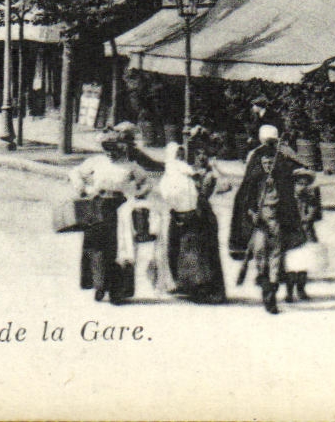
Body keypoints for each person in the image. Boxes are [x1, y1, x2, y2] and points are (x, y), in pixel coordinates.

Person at [68, 123, 151, 304]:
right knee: (98, 248)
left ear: (122, 149)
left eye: (114, 149)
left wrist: (139, 193)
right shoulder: (96, 162)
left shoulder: (129, 166)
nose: (110, 153)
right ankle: (99, 286)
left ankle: (118, 291)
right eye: (107, 149)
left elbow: (146, 182)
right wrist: (83, 189)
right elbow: (75, 173)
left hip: (120, 210)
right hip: (98, 207)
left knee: (120, 249)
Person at [228, 123, 306, 315]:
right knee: (265, 254)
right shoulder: (273, 157)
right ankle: (268, 284)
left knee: (272, 255)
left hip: (276, 220)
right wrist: (252, 212)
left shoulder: (267, 157)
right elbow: (248, 191)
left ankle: (270, 292)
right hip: (262, 221)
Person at [153, 141, 228, 303]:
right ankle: (188, 285)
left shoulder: (205, 174)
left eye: (205, 156)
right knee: (182, 251)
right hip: (182, 215)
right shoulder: (184, 172)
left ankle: (208, 288)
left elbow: (224, 186)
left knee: (201, 253)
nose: (201, 158)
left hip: (202, 217)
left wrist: (216, 170)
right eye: (198, 155)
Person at [284, 167, 323, 302]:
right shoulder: (288, 199)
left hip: (305, 233)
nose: (302, 186)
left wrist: (306, 218)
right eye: (299, 183)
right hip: (291, 234)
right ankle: (289, 292)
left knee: (303, 265)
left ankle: (301, 290)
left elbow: (312, 215)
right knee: (290, 265)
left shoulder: (310, 199)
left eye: (305, 183)